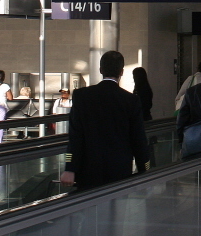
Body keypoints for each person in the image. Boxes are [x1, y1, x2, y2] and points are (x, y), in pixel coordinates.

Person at [59, 51, 150, 190]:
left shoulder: (82, 96)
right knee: (117, 209)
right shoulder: (131, 100)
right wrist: (145, 168)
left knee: (88, 208)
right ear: (121, 72)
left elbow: (75, 136)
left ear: (100, 69)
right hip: (120, 169)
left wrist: (70, 168)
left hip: (88, 168)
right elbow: (138, 139)